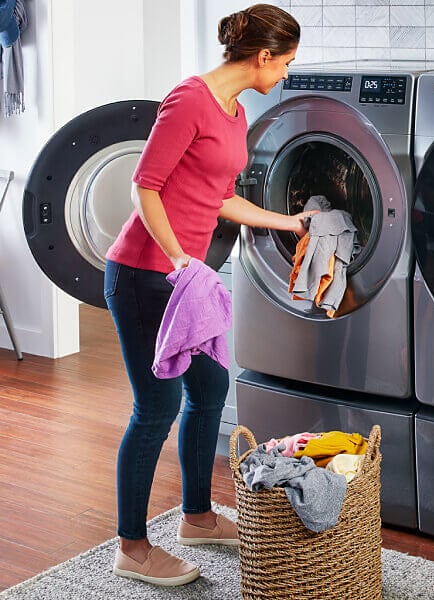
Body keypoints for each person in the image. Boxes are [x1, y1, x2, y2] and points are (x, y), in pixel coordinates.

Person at [104, 4, 313, 586]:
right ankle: (132, 547)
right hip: (146, 276)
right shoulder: (188, 100)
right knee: (156, 409)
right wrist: (177, 261)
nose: (287, 75)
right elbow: (144, 187)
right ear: (263, 56)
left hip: (182, 278)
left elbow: (219, 197)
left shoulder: (236, 110)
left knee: (211, 388)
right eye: (287, 63)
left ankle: (196, 517)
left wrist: (287, 222)